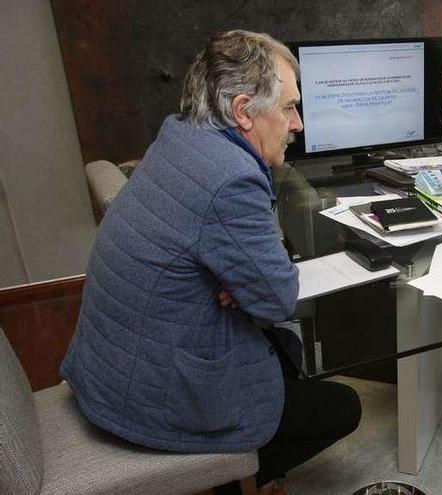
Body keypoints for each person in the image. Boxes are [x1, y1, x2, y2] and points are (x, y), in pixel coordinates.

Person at [60, 30, 361, 494]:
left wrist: (242, 282)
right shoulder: (231, 180)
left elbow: (257, 281)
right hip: (149, 399)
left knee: (284, 352)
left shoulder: (180, 137)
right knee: (343, 405)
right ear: (243, 111)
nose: (298, 123)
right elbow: (278, 297)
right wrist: (249, 283)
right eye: (288, 108)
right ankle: (225, 479)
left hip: (113, 371)